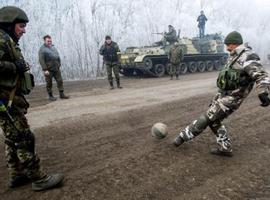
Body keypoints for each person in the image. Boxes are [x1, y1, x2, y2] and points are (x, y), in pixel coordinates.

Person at [173, 31, 270, 157]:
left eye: (228, 45)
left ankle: (181, 138)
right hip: (224, 95)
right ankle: (225, 148)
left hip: (233, 98)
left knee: (207, 117)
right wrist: (217, 97)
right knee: (214, 121)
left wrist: (263, 91)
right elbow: (227, 78)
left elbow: (261, 75)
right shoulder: (234, 55)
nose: (226, 48)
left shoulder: (247, 56)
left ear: (234, 44)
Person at [0, 6, 64, 191]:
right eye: (21, 26)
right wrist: (14, 66)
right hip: (4, 100)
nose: (24, 30)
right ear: (9, 24)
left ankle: (17, 174)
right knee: (24, 137)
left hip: (8, 98)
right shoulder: (1, 39)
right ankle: (38, 178)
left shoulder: (7, 40)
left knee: (12, 137)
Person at [38, 35, 69, 101]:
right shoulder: (42, 49)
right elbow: (41, 60)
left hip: (56, 68)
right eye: (48, 41)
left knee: (60, 81)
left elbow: (57, 55)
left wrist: (59, 63)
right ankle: (50, 96)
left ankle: (61, 94)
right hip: (48, 69)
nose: (49, 42)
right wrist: (45, 69)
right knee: (49, 83)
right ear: (44, 41)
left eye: (50, 41)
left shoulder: (53, 47)